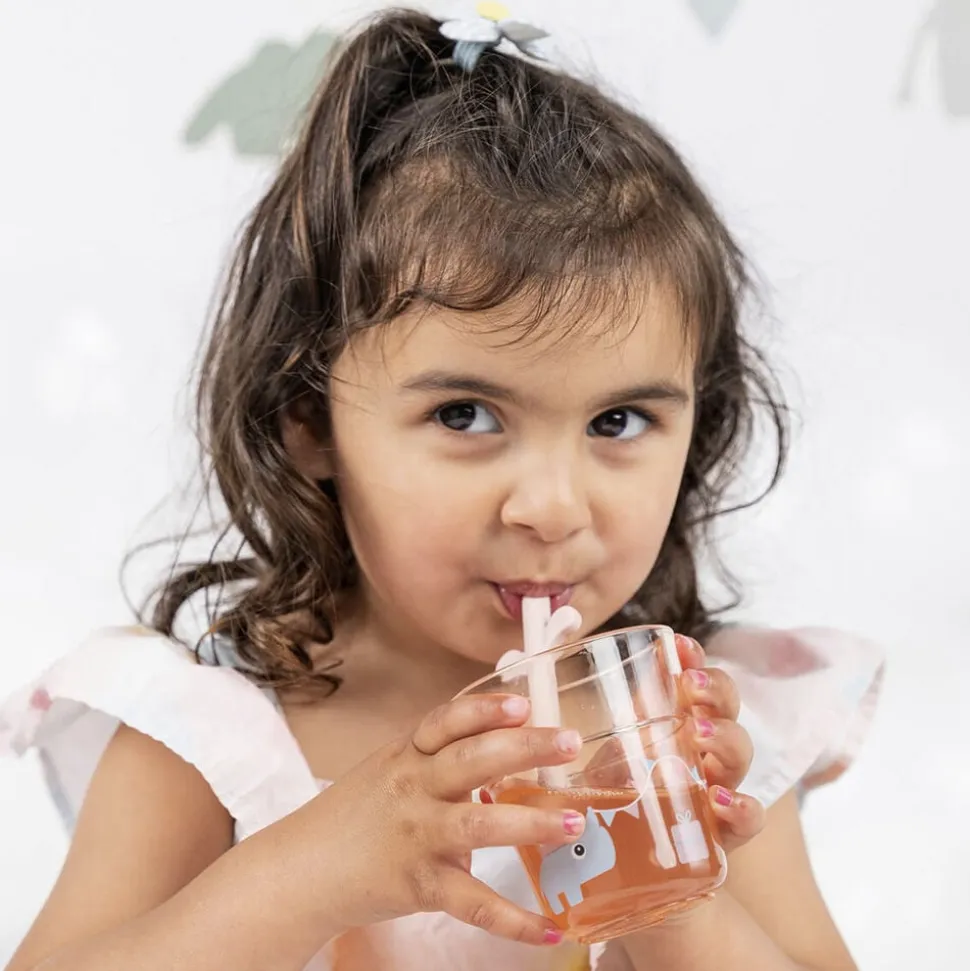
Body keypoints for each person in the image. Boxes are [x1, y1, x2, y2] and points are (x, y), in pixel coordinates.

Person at [0, 8, 883, 971]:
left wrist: (671, 897)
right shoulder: (215, 738)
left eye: (619, 422)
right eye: (466, 414)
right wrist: (315, 870)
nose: (553, 507)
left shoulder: (691, 730)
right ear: (308, 421)